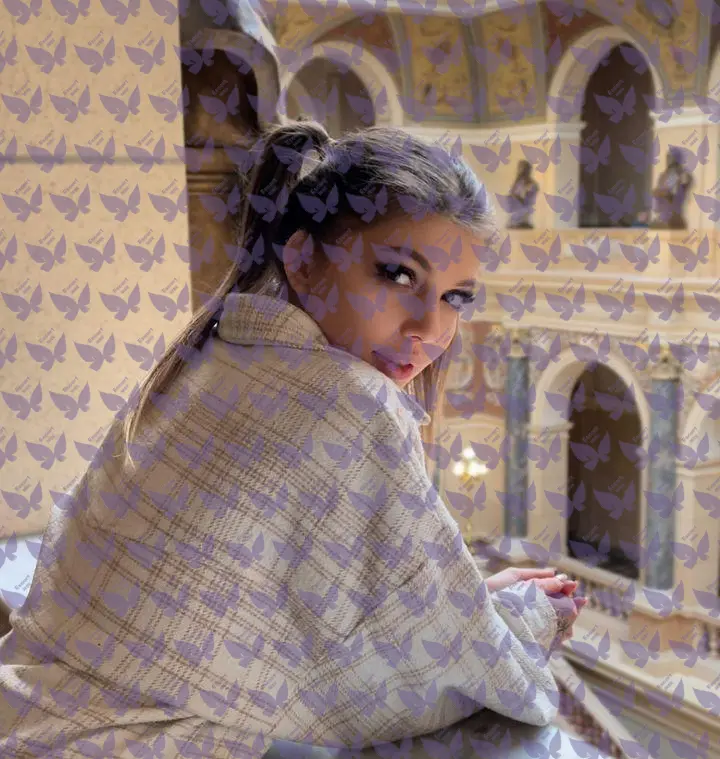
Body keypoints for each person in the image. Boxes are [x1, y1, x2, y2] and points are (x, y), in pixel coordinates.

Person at [0, 121, 586, 757]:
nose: (429, 326)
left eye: (456, 297)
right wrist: (527, 620)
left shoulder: (222, 352)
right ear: (303, 260)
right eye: (397, 275)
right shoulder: (349, 402)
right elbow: (384, 690)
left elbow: (294, 618)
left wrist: (467, 601)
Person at [507, 159, 539, 229]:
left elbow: (528, 201)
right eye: (519, 168)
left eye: (523, 168)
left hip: (524, 219)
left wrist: (518, 197)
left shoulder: (532, 184)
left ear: (528, 170)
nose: (520, 170)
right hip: (513, 218)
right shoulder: (517, 184)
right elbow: (511, 198)